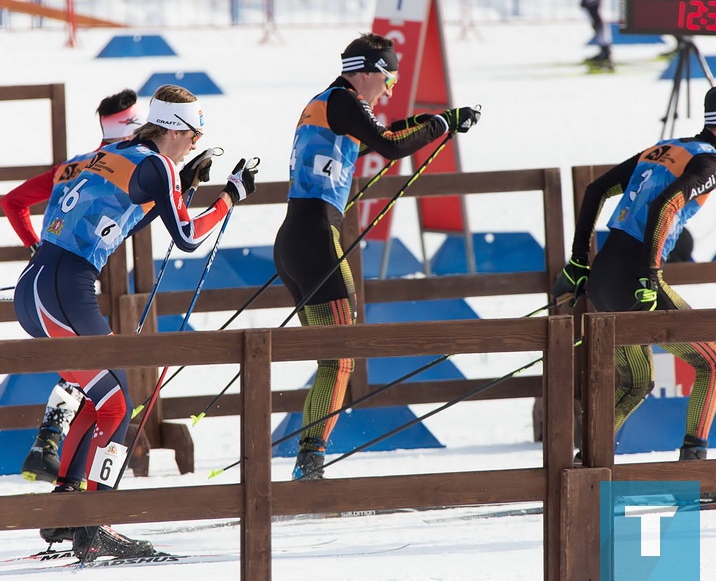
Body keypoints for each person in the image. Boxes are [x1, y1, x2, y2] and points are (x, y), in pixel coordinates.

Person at [13, 84, 258, 561]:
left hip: (37, 286)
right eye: (195, 128)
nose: (198, 137)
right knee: (118, 402)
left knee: (102, 396)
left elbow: (126, 216)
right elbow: (186, 236)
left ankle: (68, 510)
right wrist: (230, 196)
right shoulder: (159, 165)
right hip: (66, 287)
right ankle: (96, 522)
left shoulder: (106, 154)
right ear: (175, 128)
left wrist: (181, 188)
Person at [273, 32, 480, 481]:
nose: (389, 89)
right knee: (341, 357)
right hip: (314, 241)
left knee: (332, 357)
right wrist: (442, 125)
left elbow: (382, 137)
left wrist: (437, 119)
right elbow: (389, 145)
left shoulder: (328, 103)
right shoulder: (344, 100)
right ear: (364, 71)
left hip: (296, 240)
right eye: (388, 78)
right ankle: (310, 463)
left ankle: (309, 460)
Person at [552, 82, 716, 492]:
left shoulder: (664, 148)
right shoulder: (711, 167)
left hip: (605, 278)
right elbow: (667, 205)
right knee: (713, 362)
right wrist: (649, 275)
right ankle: (693, 474)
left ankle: (582, 469)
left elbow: (596, 190)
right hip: (635, 280)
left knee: (635, 383)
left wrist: (579, 260)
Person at [1, 89, 145, 484]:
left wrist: (36, 247)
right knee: (111, 395)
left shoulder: (75, 165)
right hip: (72, 286)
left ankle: (62, 475)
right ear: (131, 126)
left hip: (44, 283)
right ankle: (89, 507)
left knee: (93, 382)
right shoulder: (130, 164)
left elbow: (13, 202)